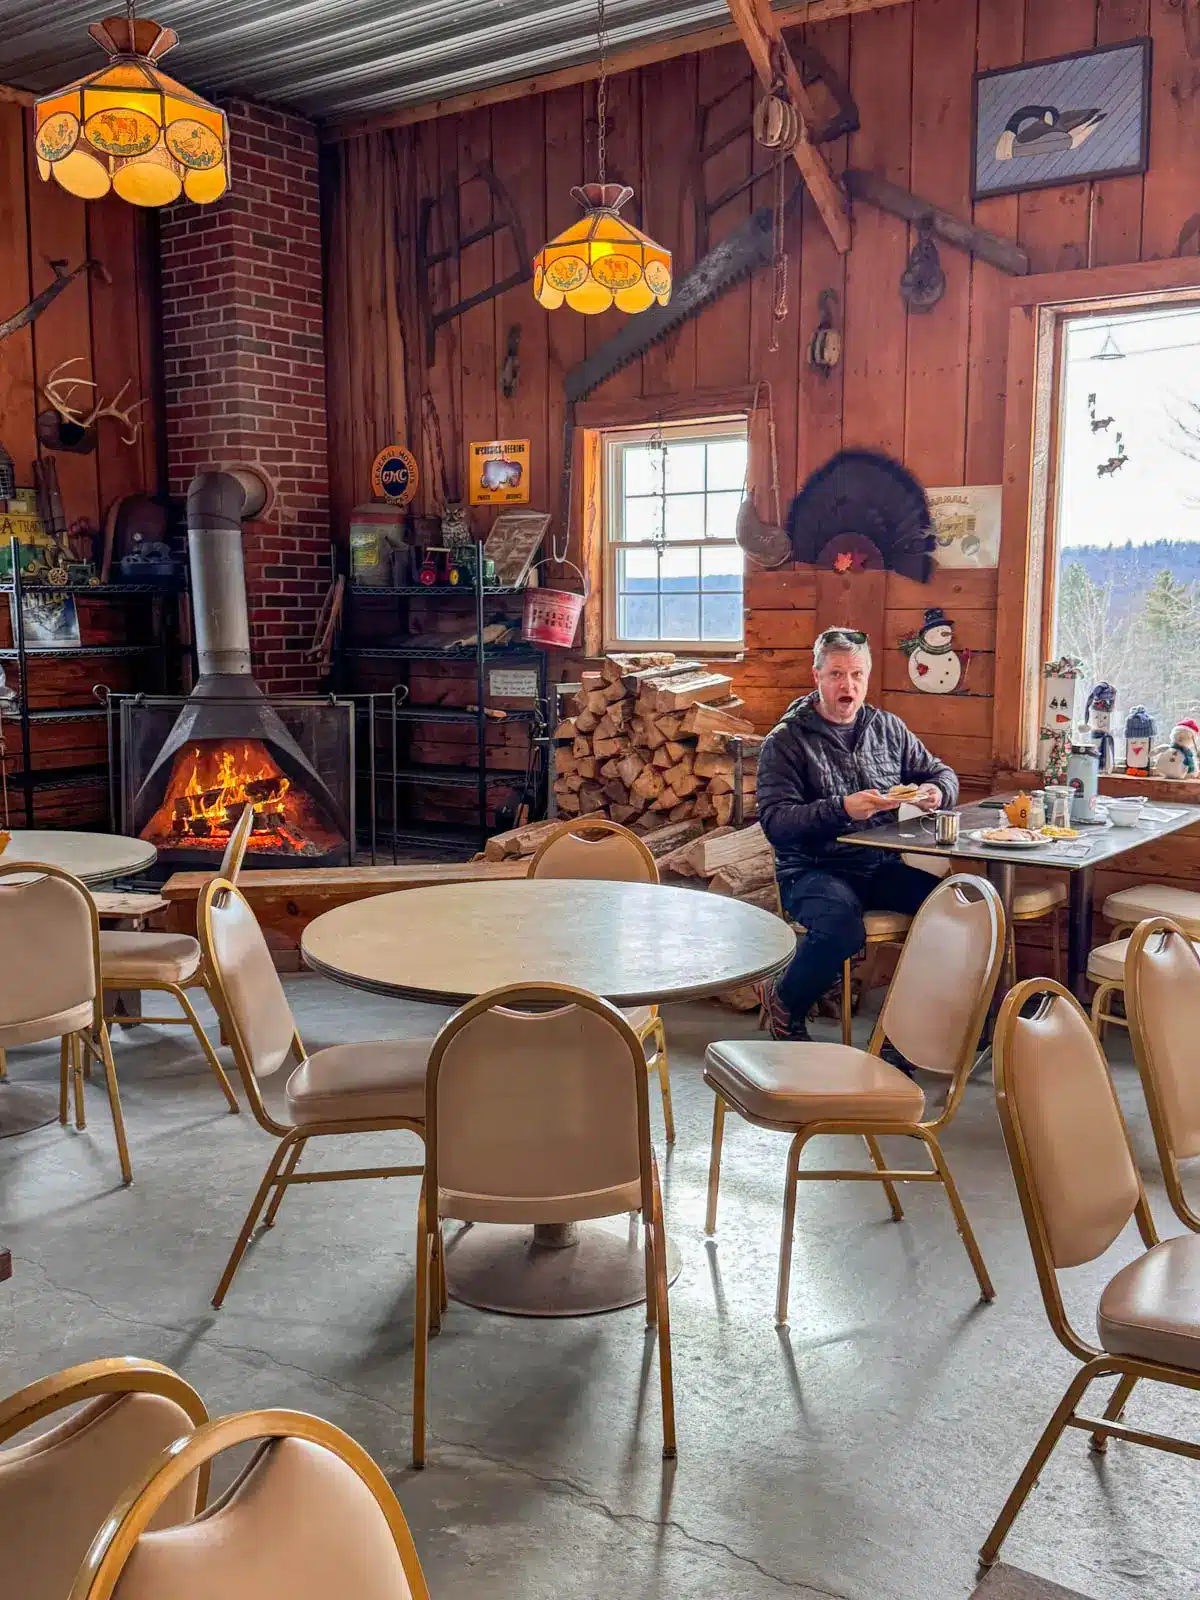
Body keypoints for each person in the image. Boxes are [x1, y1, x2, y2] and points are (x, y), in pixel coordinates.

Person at [756, 626, 959, 1041]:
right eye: (836, 675)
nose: (847, 686)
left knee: (954, 910)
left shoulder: (888, 728)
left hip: (878, 865)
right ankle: (785, 1003)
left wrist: (937, 791)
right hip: (810, 870)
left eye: (856, 675)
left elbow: (942, 772)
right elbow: (776, 822)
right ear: (817, 677)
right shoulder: (785, 741)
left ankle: (909, 1033)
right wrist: (842, 809)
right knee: (842, 927)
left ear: (867, 677)